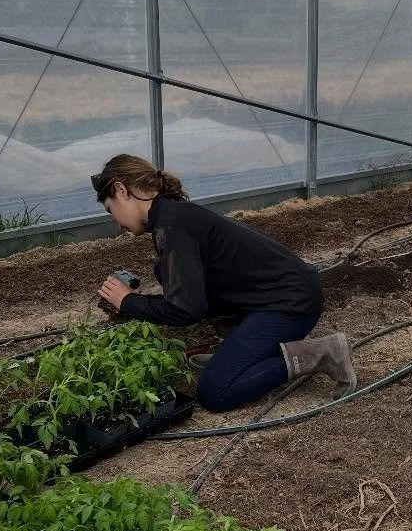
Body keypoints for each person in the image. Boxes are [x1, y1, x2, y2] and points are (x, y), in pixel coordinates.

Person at [92, 154, 356, 413]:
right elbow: (188, 296)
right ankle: (241, 349)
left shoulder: (172, 226)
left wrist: (128, 302)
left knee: (215, 391)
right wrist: (132, 302)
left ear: (121, 190)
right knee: (164, 270)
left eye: (110, 209)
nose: (115, 221)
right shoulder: (172, 216)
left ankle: (323, 353)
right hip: (272, 297)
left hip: (291, 303)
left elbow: (187, 310)